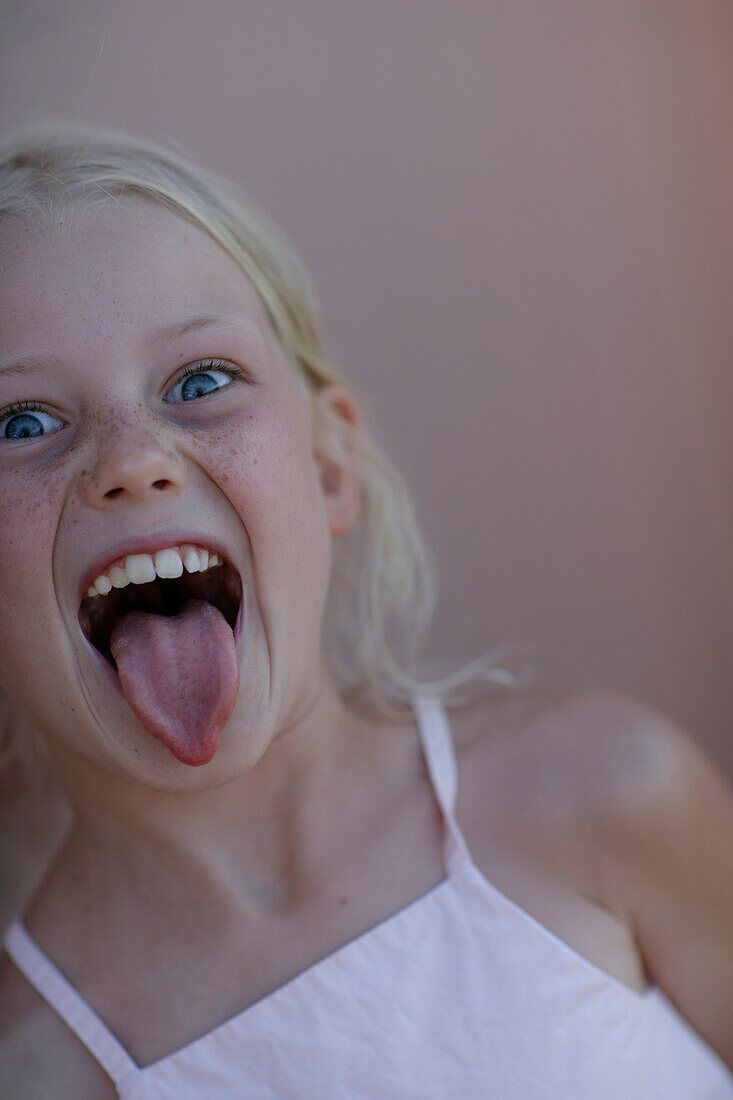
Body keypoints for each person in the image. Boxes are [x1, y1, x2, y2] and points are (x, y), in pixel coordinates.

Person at [0, 124, 731, 1099]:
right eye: (21, 422)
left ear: (330, 465)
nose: (133, 460)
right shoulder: (30, 1059)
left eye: (201, 381)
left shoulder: (601, 792)